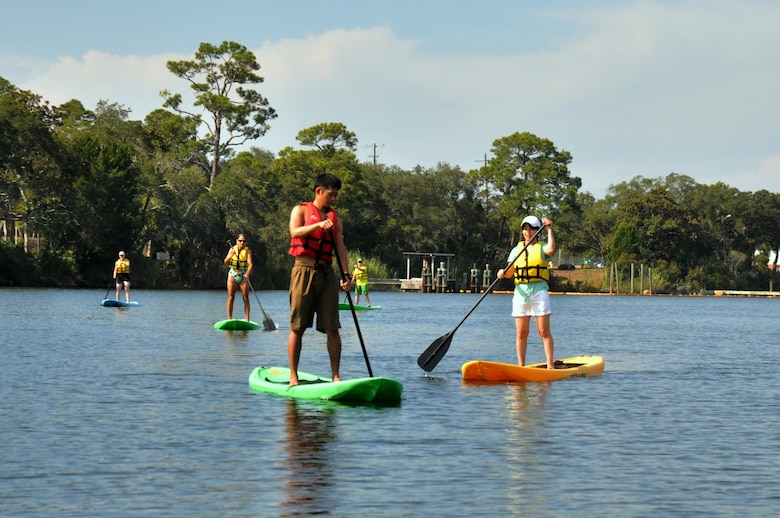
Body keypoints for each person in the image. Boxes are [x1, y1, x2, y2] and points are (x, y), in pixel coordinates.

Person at [287, 173, 351, 386]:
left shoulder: (335, 219)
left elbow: (340, 250)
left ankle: (336, 375)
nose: (333, 199)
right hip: (303, 271)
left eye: (336, 195)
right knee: (298, 326)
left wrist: (346, 276)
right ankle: (293, 376)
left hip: (326, 274)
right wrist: (317, 226)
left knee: (332, 327)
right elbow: (294, 231)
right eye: (330, 194)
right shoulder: (301, 210)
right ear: (319, 191)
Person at [497, 215, 556, 369]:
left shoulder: (542, 247)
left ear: (537, 231)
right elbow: (510, 272)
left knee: (543, 331)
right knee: (521, 333)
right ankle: (521, 366)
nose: (527, 232)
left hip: (539, 292)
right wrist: (502, 272)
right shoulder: (516, 250)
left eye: (531, 229)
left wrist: (549, 230)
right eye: (525, 229)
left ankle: (550, 366)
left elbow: (551, 249)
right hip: (521, 294)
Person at [223, 233, 253, 321]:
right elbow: (225, 261)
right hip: (233, 274)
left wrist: (247, 273)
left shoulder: (248, 251)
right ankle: (229, 319)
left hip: (243, 275)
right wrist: (231, 255)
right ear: (236, 241)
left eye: (244, 241)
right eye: (240, 241)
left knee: (245, 298)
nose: (242, 243)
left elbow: (250, 264)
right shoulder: (232, 249)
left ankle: (247, 319)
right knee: (230, 297)